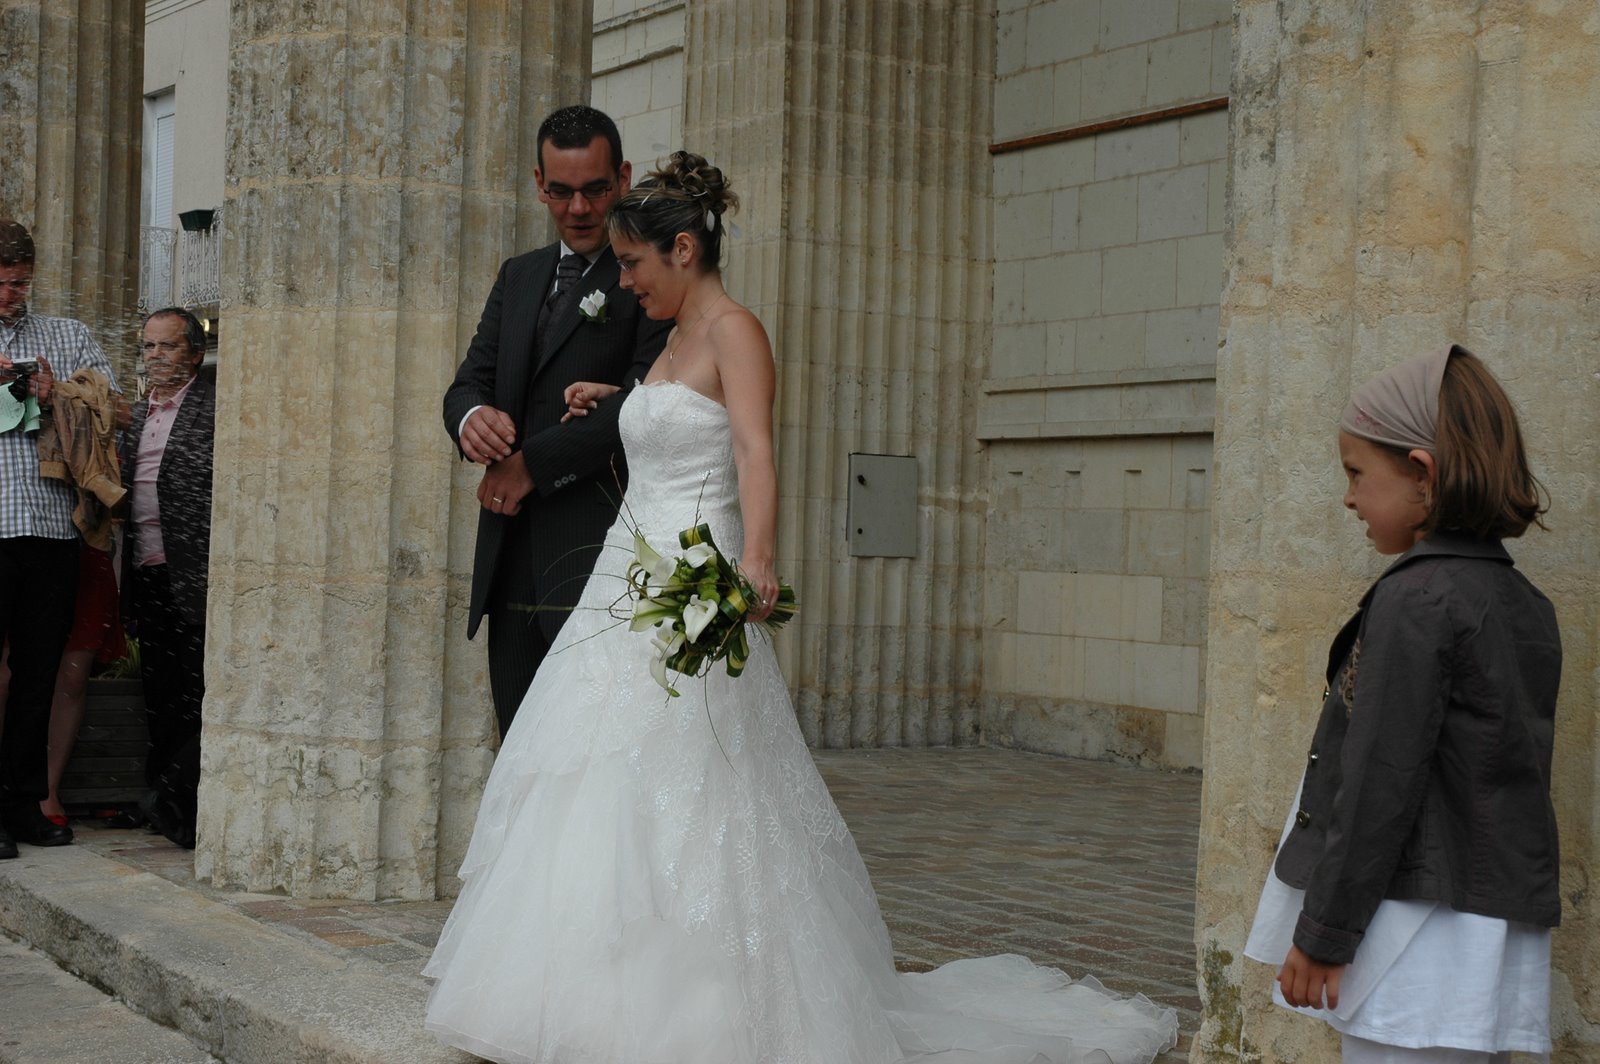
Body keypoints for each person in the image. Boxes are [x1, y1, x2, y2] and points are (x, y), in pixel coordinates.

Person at [423, 153, 1179, 1063]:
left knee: (688, 766)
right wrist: (617, 401)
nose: (623, 282)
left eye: (633, 264)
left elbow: (751, 449)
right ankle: (573, 995)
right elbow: (678, 419)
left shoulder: (737, 329)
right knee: (593, 764)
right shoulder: (671, 336)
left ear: (684, 250)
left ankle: (700, 1006)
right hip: (629, 570)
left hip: (692, 567)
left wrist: (757, 560)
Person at [1243, 345, 1561, 1064]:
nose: (1348, 498)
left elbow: (1380, 782)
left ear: (1422, 473)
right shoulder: (1524, 604)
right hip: (1481, 926)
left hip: (1411, 933)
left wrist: (1324, 933)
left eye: (1356, 473)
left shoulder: (1416, 599)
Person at [443, 105, 672, 740]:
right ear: (539, 184)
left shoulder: (649, 278)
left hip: (597, 549)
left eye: (595, 189)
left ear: (622, 178)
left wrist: (532, 467)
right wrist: (470, 418)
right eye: (562, 191)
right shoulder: (518, 275)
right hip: (508, 551)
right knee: (519, 750)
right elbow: (468, 382)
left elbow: (650, 400)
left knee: (587, 752)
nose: (578, 208)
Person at [0, 219, 122, 860]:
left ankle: (24, 803)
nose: (9, 295)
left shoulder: (67, 335)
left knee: (38, 672)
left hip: (50, 528)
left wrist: (57, 394)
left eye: (19, 284)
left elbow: (116, 409)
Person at [119, 306, 214, 849]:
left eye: (168, 346)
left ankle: (182, 802)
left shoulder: (215, 405)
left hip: (196, 573)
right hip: (147, 572)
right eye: (148, 346)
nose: (155, 356)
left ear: (195, 354)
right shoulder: (137, 414)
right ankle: (158, 795)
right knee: (160, 693)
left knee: (198, 691)